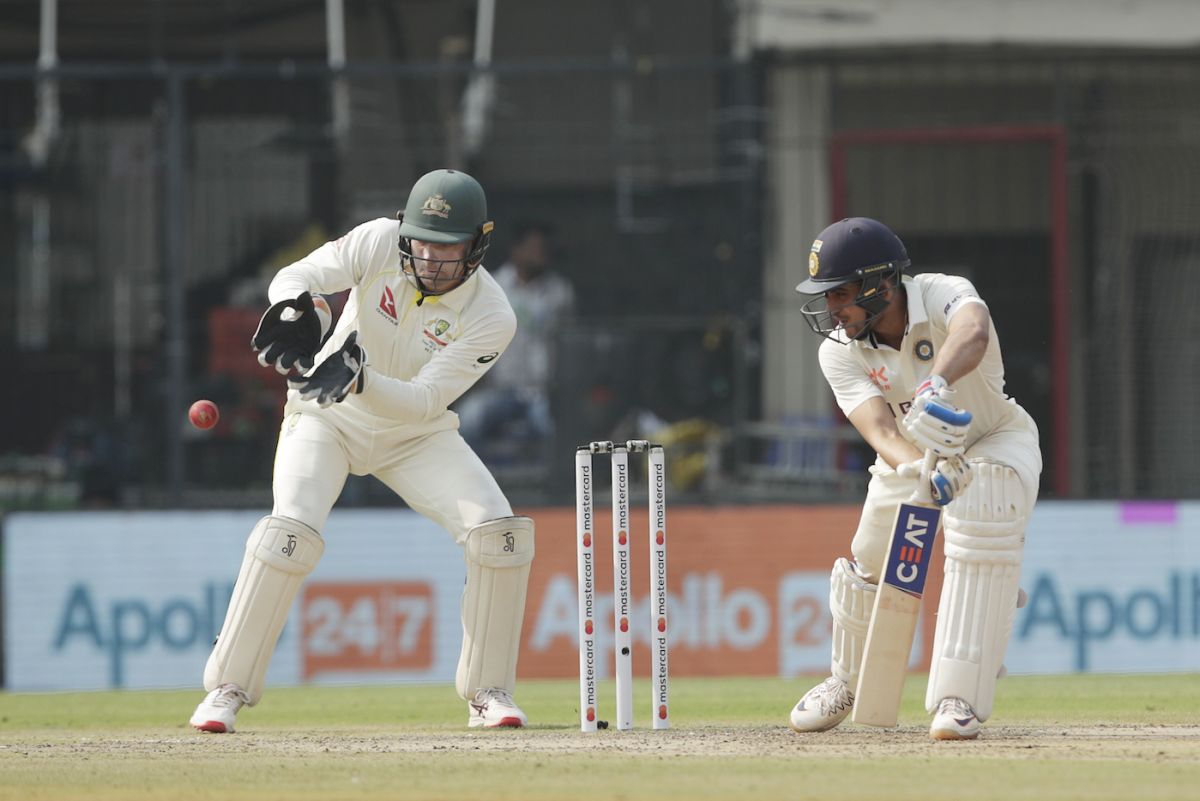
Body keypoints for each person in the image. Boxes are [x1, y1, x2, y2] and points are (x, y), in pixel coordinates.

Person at [189, 169, 534, 732]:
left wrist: (361, 379)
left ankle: (488, 692)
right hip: (326, 416)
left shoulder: (493, 314)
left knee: (499, 532)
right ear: (404, 230)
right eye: (422, 241)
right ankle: (226, 689)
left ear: (478, 244)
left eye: (447, 247)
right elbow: (294, 275)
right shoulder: (377, 241)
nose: (430, 258)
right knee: (289, 531)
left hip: (415, 434)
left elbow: (424, 400)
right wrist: (294, 309)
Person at [788, 217, 1041, 740]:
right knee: (871, 555)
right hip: (914, 456)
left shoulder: (942, 292)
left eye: (841, 294)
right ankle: (845, 679)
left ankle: (959, 697)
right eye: (827, 297)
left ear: (881, 282)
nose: (833, 309)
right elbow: (879, 429)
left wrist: (936, 385)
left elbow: (974, 331)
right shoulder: (838, 349)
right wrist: (922, 468)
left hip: (995, 436)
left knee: (982, 508)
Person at [454, 222, 575, 462]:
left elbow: (569, 345)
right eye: (534, 248)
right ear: (516, 250)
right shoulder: (493, 286)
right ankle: (479, 488)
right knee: (468, 418)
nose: (540, 254)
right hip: (499, 388)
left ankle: (554, 495)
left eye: (544, 248)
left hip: (542, 392)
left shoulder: (559, 292)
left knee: (555, 431)